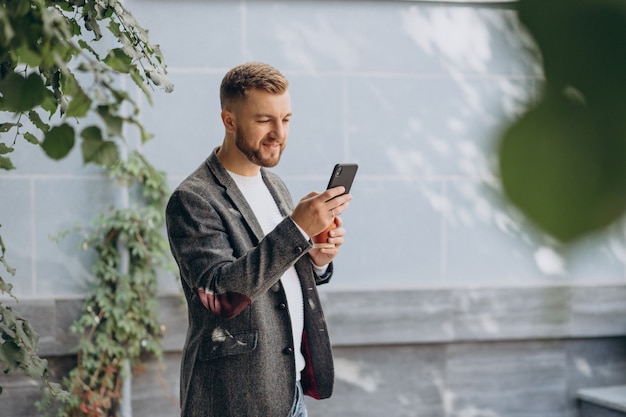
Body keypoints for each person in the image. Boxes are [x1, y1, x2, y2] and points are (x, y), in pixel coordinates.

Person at [165, 62, 352, 417]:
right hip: (236, 399)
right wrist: (297, 229)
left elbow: (277, 275)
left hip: (288, 392)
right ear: (229, 120)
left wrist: (317, 260)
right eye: (265, 120)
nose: (279, 133)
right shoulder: (193, 199)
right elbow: (221, 297)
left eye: (286, 119)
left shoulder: (274, 185)